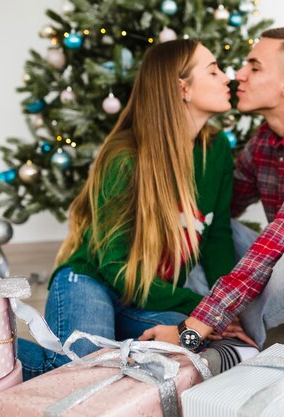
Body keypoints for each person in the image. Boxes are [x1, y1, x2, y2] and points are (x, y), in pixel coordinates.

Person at [18, 38, 242, 380]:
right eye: (214, 71)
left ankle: (119, 349)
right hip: (93, 281)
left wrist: (223, 310)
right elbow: (115, 265)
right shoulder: (125, 157)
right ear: (182, 88)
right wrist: (202, 310)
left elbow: (217, 239)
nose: (228, 78)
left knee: (195, 350)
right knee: (85, 374)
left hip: (145, 296)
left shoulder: (217, 151)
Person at [141, 28, 284, 350]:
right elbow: (217, 211)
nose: (237, 75)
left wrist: (194, 326)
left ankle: (229, 343)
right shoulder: (263, 143)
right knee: (204, 226)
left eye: (254, 67)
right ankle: (213, 319)